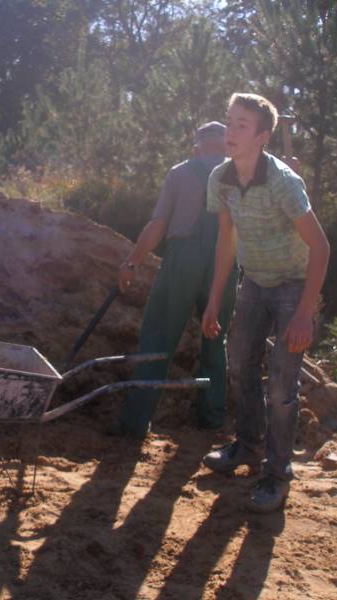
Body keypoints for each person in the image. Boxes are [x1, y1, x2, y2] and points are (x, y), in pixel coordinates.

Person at [201, 93, 329, 513]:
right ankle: (247, 446)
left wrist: (305, 313)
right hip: (253, 282)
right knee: (239, 366)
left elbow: (322, 249)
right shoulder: (220, 178)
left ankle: (277, 474)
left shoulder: (283, 183)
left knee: (280, 387)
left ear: (262, 136)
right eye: (229, 121)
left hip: (293, 285)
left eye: (242, 125)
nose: (230, 132)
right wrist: (214, 301)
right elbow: (225, 242)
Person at [109, 121, 238, 438]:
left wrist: (132, 262)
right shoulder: (241, 174)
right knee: (215, 341)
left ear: (196, 147)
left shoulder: (180, 173)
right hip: (226, 262)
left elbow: (158, 225)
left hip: (183, 259)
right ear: (225, 145)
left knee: (158, 338)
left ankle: (135, 422)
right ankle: (212, 419)